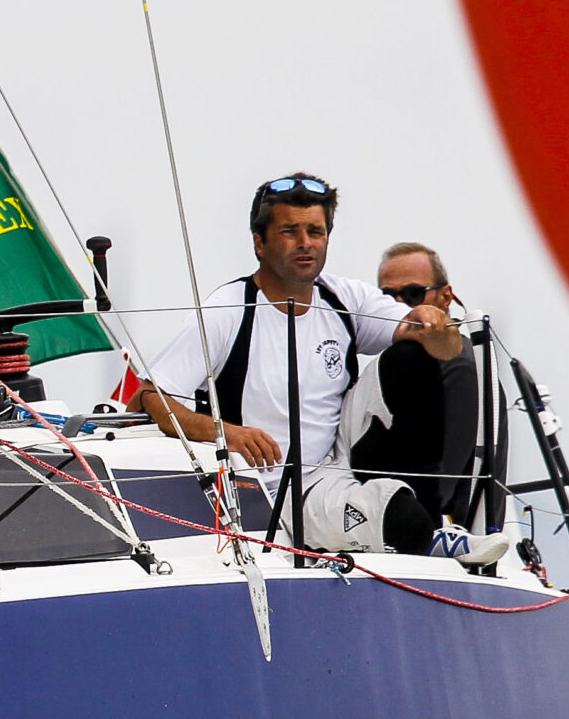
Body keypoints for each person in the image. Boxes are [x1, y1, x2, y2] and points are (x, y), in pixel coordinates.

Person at [132, 174, 487, 559]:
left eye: (316, 232)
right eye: (290, 231)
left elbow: (445, 345)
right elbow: (153, 397)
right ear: (259, 243)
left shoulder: (342, 297)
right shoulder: (228, 309)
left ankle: (435, 519)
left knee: (415, 353)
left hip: (337, 458)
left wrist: (434, 325)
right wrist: (226, 432)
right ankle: (416, 528)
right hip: (273, 488)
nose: (305, 243)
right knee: (405, 525)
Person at [342, 241, 484, 530]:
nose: (398, 306)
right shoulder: (396, 361)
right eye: (387, 296)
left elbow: (443, 480)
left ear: (445, 298)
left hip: (423, 530)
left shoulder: (457, 364)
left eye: (413, 294)